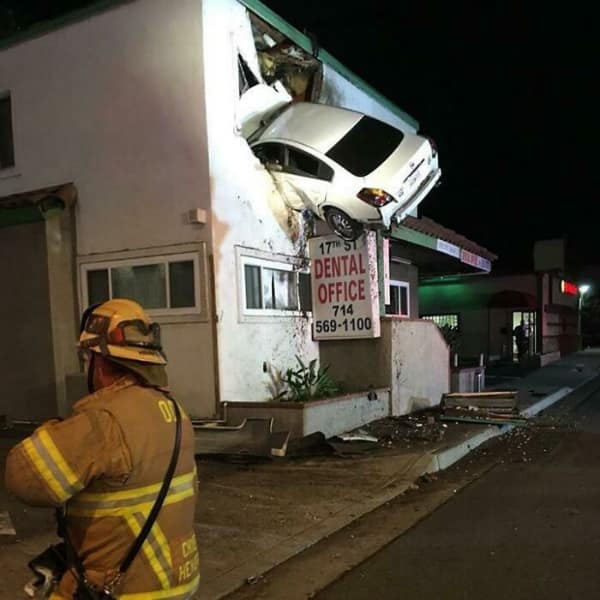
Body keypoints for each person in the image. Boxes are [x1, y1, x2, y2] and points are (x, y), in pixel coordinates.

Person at [5, 299, 199, 599]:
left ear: (100, 360)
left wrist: (52, 429)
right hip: (177, 581)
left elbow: (24, 478)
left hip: (124, 590)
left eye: (87, 358)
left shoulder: (106, 421)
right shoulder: (174, 411)